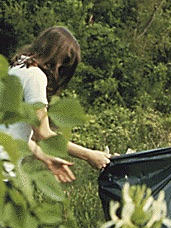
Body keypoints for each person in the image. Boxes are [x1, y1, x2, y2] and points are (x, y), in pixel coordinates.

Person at [0, 26, 111, 182]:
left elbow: (12, 133)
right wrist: (89, 155)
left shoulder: (16, 67)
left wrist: (45, 158)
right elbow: (43, 134)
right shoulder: (35, 76)